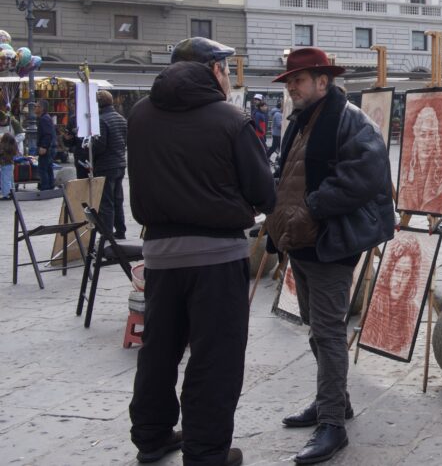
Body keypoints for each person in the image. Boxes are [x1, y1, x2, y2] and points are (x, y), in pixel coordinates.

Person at [127, 37, 276, 466]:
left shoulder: (139, 114)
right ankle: (206, 451)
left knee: (159, 348)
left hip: (159, 252)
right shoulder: (231, 119)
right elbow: (263, 191)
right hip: (216, 255)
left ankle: (151, 436)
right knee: (216, 356)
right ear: (213, 70)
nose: (229, 77)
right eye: (226, 69)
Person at [265, 47, 394, 466]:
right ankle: (334, 402)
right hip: (303, 241)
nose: (292, 88)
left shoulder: (350, 119)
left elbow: (364, 176)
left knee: (328, 331)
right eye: (289, 82)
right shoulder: (303, 120)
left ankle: (332, 425)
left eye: (298, 80)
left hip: (331, 241)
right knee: (316, 328)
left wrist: (312, 208)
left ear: (324, 81)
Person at [91, 90, 128, 240]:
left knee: (106, 201)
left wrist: (90, 146)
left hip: (106, 164)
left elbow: (100, 146)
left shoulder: (101, 120)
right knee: (118, 199)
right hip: (120, 163)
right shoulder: (120, 118)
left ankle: (107, 235)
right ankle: (120, 230)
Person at [35, 99, 56, 191]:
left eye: (37, 106)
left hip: (47, 148)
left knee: (43, 168)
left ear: (42, 108)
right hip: (49, 147)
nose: (35, 108)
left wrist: (44, 146)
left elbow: (48, 134)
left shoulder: (44, 119)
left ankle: (45, 187)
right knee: (48, 167)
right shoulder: (45, 118)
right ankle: (50, 185)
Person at [0, 131, 16, 199]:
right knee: (10, 180)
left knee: (5, 180)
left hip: (5, 165)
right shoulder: (12, 147)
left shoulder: (3, 147)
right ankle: (12, 193)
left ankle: (6, 194)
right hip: (11, 165)